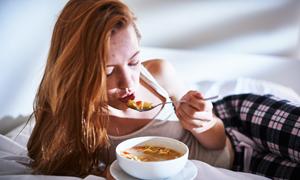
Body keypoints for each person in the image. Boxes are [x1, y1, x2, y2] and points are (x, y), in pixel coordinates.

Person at [27, 0, 300, 179]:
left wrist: (203, 121)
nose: (129, 82)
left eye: (133, 62)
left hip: (238, 117)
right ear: (76, 70)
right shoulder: (77, 123)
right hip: (238, 166)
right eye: (108, 71)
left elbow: (218, 141)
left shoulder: (158, 73)